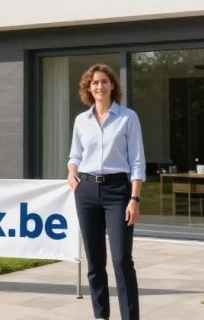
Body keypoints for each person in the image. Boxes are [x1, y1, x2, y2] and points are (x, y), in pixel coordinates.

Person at [67, 64, 145, 320]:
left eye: (104, 81)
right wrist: (71, 171)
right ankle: (101, 316)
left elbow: (137, 162)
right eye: (94, 82)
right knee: (95, 261)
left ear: (112, 86)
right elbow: (75, 154)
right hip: (87, 191)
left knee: (122, 260)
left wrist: (134, 198)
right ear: (88, 88)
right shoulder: (81, 121)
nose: (99, 86)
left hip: (118, 191)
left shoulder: (128, 117)